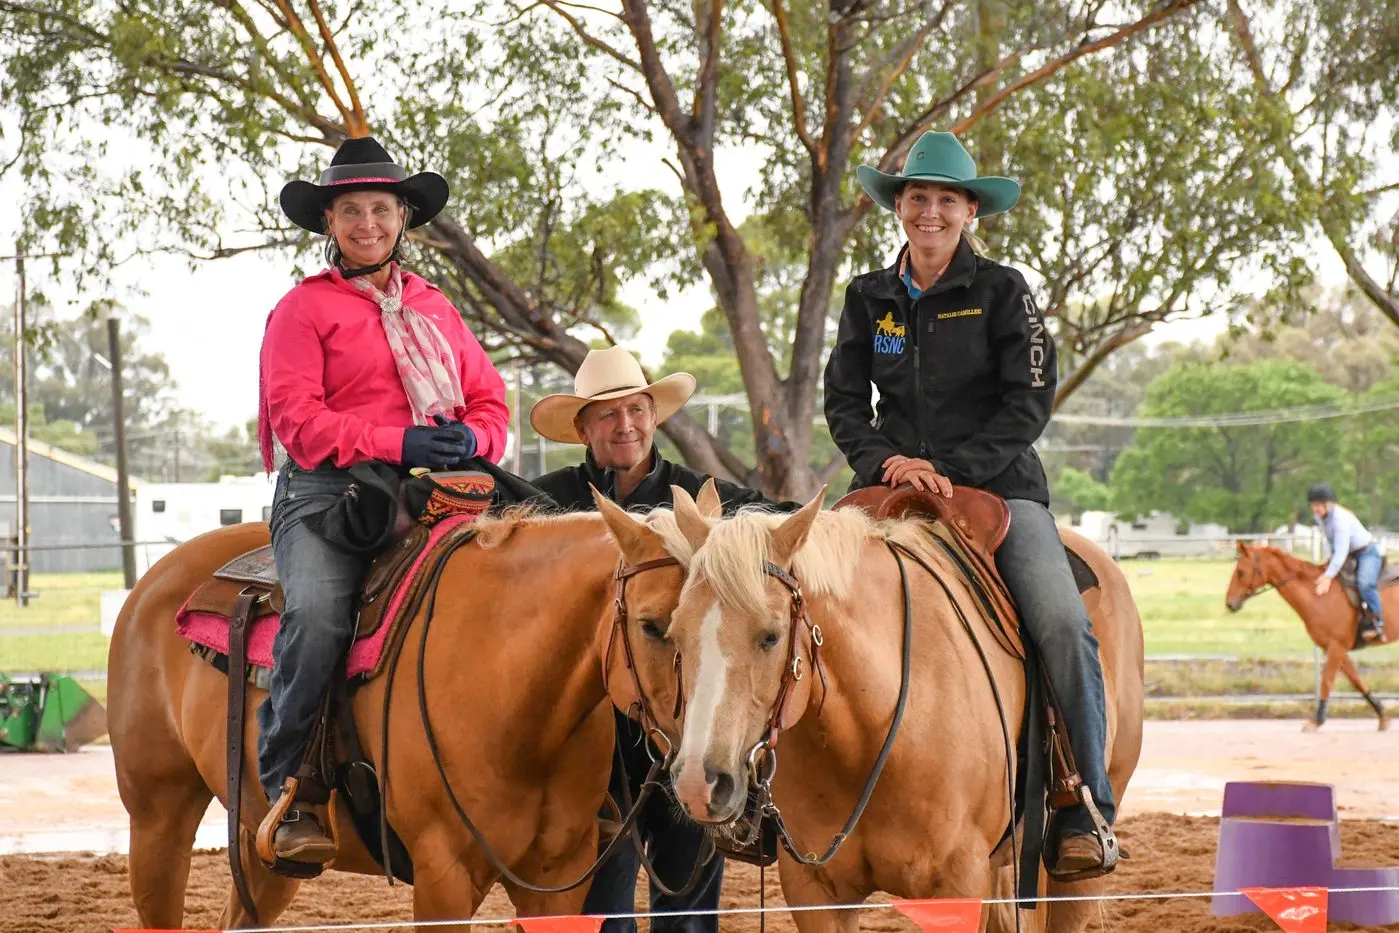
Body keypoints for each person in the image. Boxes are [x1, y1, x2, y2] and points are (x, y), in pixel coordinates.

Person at [822, 130, 1116, 879]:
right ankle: (781, 797)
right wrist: (884, 462)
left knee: (1058, 615)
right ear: (900, 207)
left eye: (944, 200)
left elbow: (1028, 401)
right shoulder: (867, 297)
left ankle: (1083, 801)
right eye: (916, 197)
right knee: (800, 593)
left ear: (968, 211)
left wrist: (948, 471)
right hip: (890, 480)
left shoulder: (1003, 291)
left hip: (999, 484)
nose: (929, 211)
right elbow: (843, 400)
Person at [255, 136, 509, 864]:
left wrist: (472, 439)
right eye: (350, 211)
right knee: (320, 612)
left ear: (403, 219)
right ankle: (292, 788)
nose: (367, 222)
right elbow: (295, 420)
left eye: (380, 209)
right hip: (325, 493)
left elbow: (491, 400)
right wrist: (399, 443)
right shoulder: (302, 311)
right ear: (329, 224)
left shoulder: (436, 307)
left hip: (437, 491)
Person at [530, 346, 794, 933]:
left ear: (654, 416)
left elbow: (780, 522)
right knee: (602, 915)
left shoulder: (707, 497)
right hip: (588, 747)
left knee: (689, 914)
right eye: (608, 414)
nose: (626, 425)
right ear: (582, 428)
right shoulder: (547, 503)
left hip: (683, 731)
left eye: (637, 410)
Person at [1309, 483, 1385, 641]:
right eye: (1313, 505)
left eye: (1318, 505)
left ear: (1328, 504)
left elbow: (1341, 550)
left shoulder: (1340, 519)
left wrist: (1328, 576)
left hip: (1366, 552)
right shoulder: (1320, 517)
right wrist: (1328, 559)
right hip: (1349, 554)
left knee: (1365, 584)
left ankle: (1377, 622)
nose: (1315, 508)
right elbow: (1331, 541)